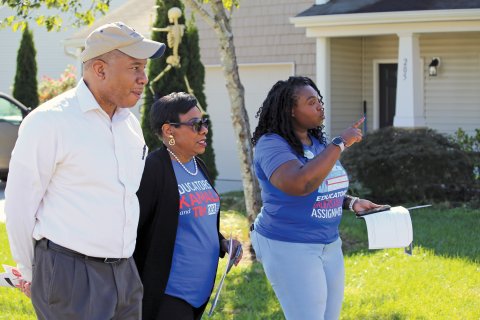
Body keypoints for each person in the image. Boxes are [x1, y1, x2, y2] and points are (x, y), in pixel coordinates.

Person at [5, 22, 166, 319]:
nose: (144, 79)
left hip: (125, 273)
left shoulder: (129, 125)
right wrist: (32, 272)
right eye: (135, 68)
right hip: (70, 276)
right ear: (100, 69)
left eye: (144, 69)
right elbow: (19, 206)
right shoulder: (50, 122)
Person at [250, 76, 382, 320]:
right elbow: (300, 183)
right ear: (290, 110)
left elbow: (322, 185)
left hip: (329, 244)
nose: (320, 106)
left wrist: (352, 202)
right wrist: (340, 143)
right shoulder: (271, 145)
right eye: (311, 102)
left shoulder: (317, 142)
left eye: (319, 100)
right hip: (289, 244)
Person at [133, 92, 243, 320]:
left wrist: (222, 241)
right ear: (168, 130)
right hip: (168, 294)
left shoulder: (198, 165)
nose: (204, 130)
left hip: (199, 293)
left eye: (204, 123)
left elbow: (196, 219)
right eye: (195, 125)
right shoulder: (153, 170)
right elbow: (135, 230)